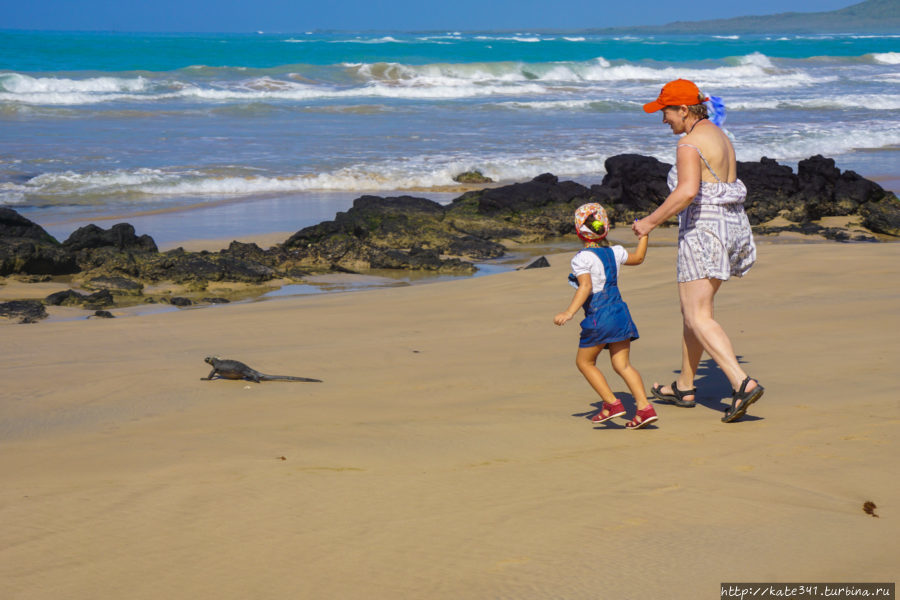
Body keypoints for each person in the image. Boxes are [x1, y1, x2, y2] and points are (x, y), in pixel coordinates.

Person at [633, 78, 764, 423]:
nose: (663, 120)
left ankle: (742, 382)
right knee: (694, 310)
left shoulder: (689, 144)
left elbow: (687, 191)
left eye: (665, 112)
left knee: (698, 315)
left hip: (704, 231)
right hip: (731, 226)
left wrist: (649, 222)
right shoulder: (719, 135)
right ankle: (685, 385)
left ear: (684, 109)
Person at [554, 203, 657, 429]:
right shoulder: (615, 251)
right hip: (620, 312)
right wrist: (644, 235)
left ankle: (612, 403)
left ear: (579, 231)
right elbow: (639, 258)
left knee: (584, 362)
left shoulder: (582, 258)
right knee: (623, 365)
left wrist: (569, 312)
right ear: (605, 229)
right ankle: (644, 408)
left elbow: (585, 287)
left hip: (599, 316)